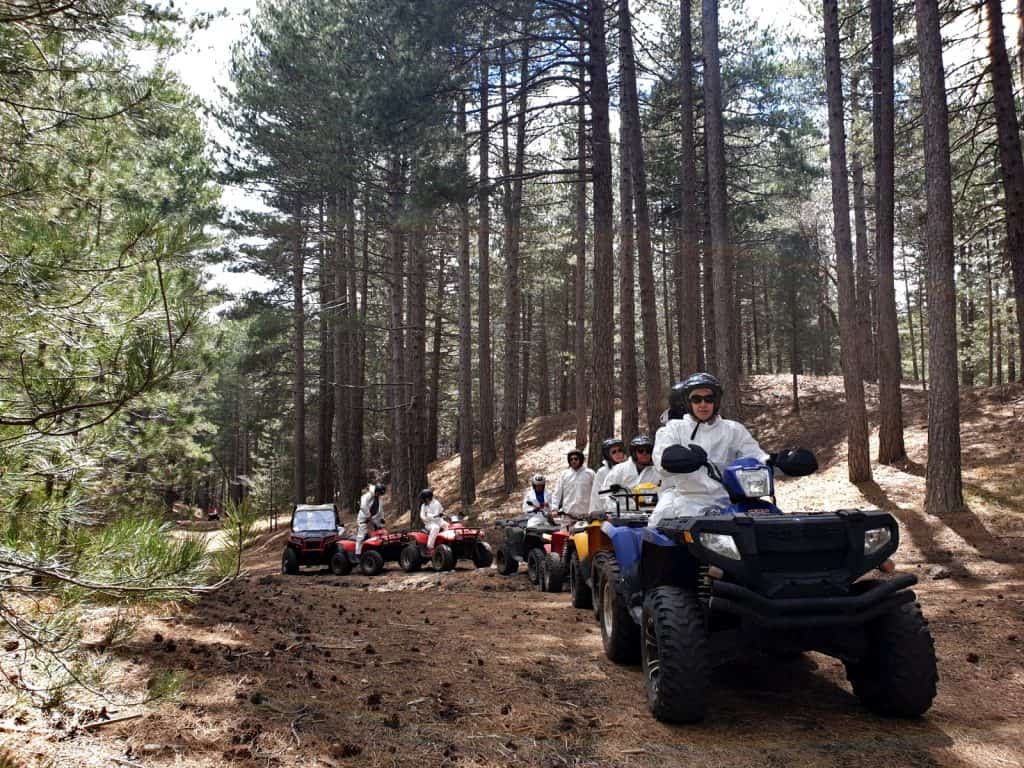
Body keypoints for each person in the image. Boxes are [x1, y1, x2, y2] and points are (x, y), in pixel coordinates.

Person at [649, 372, 768, 526]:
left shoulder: (733, 429)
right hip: (688, 501)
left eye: (709, 399)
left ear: (716, 401)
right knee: (658, 526)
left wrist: (780, 461)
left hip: (733, 501)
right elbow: (662, 459)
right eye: (696, 399)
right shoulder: (674, 428)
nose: (703, 404)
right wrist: (679, 459)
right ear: (688, 402)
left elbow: (756, 457)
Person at [601, 434, 661, 514]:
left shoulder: (657, 472)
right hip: (621, 515)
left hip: (648, 516)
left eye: (648, 451)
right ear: (634, 453)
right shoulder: (619, 470)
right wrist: (614, 509)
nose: (645, 454)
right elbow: (605, 494)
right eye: (640, 451)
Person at [551, 449, 595, 520]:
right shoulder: (564, 474)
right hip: (567, 515)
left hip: (586, 515)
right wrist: (554, 509)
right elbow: (557, 492)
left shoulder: (590, 473)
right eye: (571, 459)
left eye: (576, 459)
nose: (573, 461)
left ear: (580, 459)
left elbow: (596, 492)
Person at [589, 437, 627, 514]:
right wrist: (594, 513)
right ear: (608, 455)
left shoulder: (630, 468)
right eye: (614, 452)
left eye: (620, 450)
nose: (618, 454)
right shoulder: (602, 472)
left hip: (630, 510)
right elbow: (596, 495)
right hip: (609, 512)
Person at [355, 484, 387, 556]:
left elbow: (380, 510)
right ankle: (358, 554)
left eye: (380, 494)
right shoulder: (368, 495)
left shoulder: (379, 498)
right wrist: (368, 515)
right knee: (361, 536)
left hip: (374, 520)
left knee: (377, 536)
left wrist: (382, 519)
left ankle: (373, 552)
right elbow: (363, 506)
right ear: (376, 490)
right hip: (364, 519)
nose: (379, 495)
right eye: (378, 493)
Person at [419, 488, 447, 552]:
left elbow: (437, 514)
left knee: (447, 525)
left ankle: (444, 542)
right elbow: (422, 516)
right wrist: (426, 518)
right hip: (429, 524)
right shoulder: (423, 506)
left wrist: (429, 516)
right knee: (435, 527)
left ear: (427, 498)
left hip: (439, 521)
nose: (423, 500)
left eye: (423, 498)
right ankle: (430, 547)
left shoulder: (436, 503)